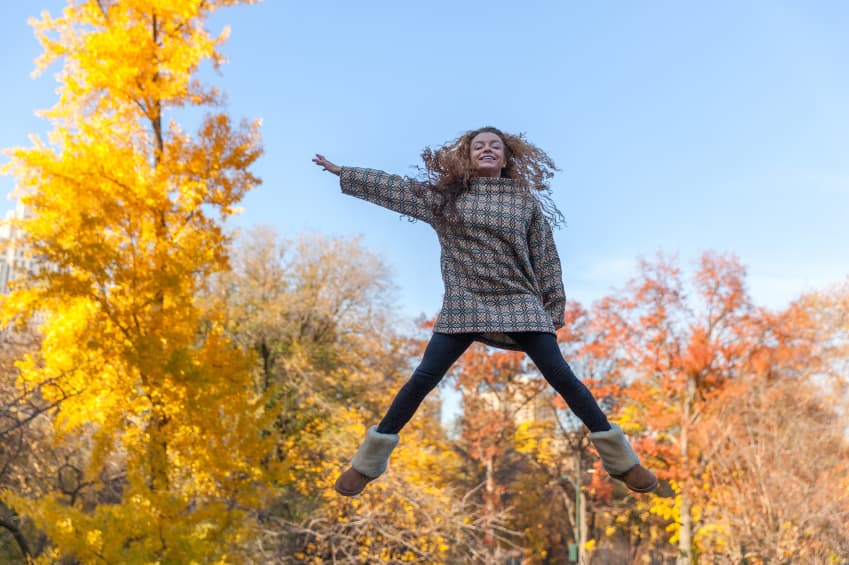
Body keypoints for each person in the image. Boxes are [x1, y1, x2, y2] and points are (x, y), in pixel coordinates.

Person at [312, 126, 657, 496]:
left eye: (495, 146)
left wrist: (554, 305)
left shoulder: (524, 203)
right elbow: (397, 189)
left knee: (560, 374)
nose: (488, 150)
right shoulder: (445, 199)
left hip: (519, 301)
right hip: (465, 300)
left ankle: (623, 463)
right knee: (424, 377)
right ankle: (366, 465)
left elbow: (546, 257)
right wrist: (344, 172)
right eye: (480, 146)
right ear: (469, 156)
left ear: (506, 158)